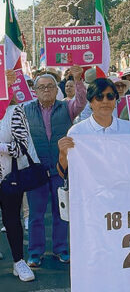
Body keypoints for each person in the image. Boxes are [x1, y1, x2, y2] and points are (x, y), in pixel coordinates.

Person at [24, 65, 86, 267]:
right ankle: (35, 252)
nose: (46, 90)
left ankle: (62, 249)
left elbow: (82, 102)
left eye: (50, 86)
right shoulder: (25, 110)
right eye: (41, 87)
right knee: (36, 215)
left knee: (61, 213)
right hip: (36, 170)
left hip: (60, 169)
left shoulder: (67, 107)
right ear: (35, 91)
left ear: (56, 89)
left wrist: (78, 80)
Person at [0, 72, 38, 282]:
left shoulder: (15, 111)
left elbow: (22, 146)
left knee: (12, 219)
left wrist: (1, 147)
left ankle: (18, 262)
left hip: (9, 177)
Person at [57, 78, 130, 177]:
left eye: (110, 96)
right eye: (99, 97)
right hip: (90, 191)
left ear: (115, 100)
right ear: (90, 102)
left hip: (123, 190)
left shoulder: (129, 129)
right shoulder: (77, 132)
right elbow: (65, 174)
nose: (105, 101)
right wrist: (63, 154)